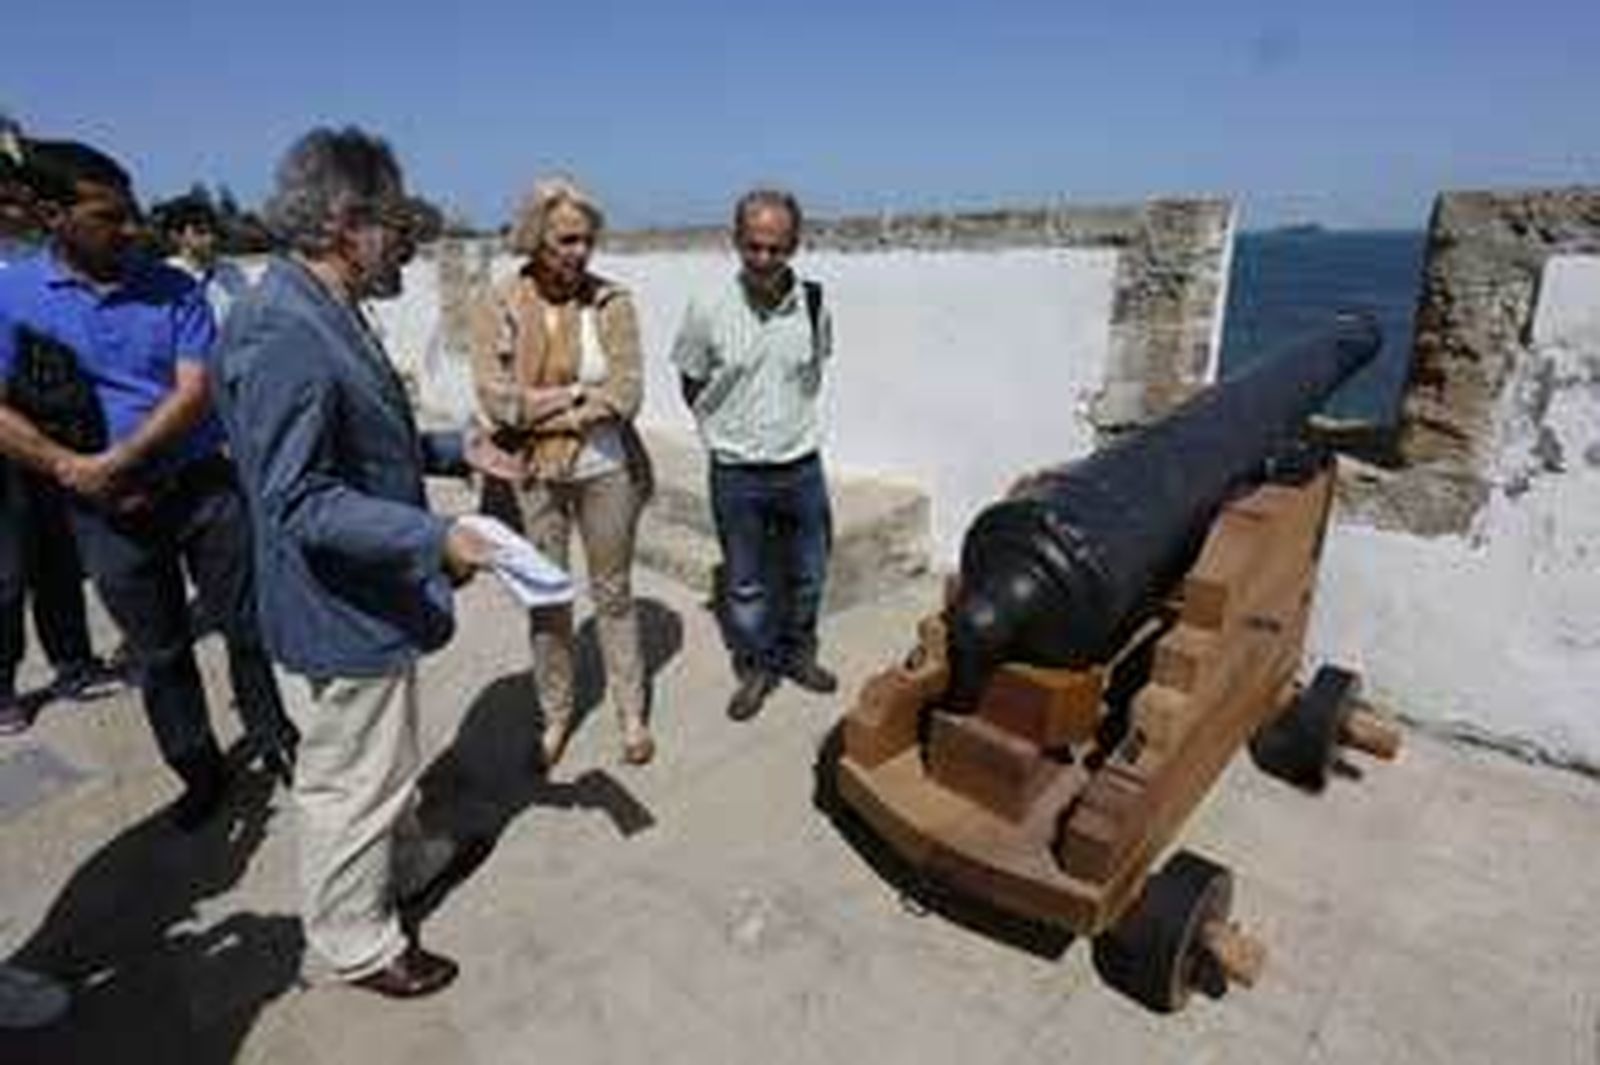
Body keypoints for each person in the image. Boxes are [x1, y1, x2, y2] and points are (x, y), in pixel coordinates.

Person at [214, 126, 523, 999]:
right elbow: (300, 498)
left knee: (381, 762)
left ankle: (408, 861)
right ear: (347, 224)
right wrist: (436, 538)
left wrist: (451, 450)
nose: (405, 240)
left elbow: (359, 439)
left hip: (364, 597)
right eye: (394, 223)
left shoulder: (322, 304)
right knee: (349, 782)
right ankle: (355, 940)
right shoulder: (285, 329)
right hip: (336, 607)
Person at [0, 140, 295, 824]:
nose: (131, 229)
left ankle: (274, 735)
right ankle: (198, 771)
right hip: (102, 511)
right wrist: (70, 467)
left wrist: (119, 459)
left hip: (201, 487)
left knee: (248, 624)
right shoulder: (12, 297)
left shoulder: (174, 288)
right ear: (52, 215)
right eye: (109, 216)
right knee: (160, 651)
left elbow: (195, 389)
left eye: (131, 212)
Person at [465, 178, 655, 769]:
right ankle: (555, 714)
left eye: (587, 239)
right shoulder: (499, 302)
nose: (580, 251)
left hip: (606, 467)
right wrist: (575, 393)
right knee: (547, 598)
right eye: (566, 240)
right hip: (533, 472)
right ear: (534, 239)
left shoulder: (611, 302)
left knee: (614, 592)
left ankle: (631, 711)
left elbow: (625, 394)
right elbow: (498, 401)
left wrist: (549, 409)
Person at [671, 188, 838, 722]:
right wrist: (725, 429)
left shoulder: (814, 303)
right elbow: (691, 381)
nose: (764, 259)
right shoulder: (707, 307)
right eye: (754, 246)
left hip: (801, 467)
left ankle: (798, 653)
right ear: (737, 241)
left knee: (809, 574)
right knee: (745, 583)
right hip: (737, 472)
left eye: (777, 248)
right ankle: (757, 666)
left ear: (795, 245)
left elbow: (812, 372)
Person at [0, 130, 122, 735]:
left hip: (51, 435)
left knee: (57, 556)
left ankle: (73, 661)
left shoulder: (38, 257)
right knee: (5, 571)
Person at [160, 195, 249, 326]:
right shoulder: (164, 279)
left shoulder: (230, 275)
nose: (210, 239)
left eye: (213, 232)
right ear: (176, 236)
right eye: (200, 232)